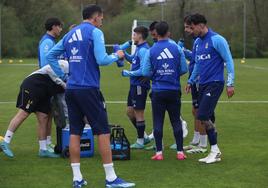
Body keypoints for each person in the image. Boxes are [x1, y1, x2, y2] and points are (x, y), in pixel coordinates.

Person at [46, 5, 135, 188]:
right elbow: (102, 60)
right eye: (101, 18)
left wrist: (64, 75)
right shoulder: (95, 32)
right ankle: (111, 179)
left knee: (75, 132)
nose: (102, 21)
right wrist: (117, 55)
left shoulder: (70, 34)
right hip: (88, 89)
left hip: (71, 89)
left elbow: (50, 55)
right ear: (96, 17)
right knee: (102, 131)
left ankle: (77, 178)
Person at [126, 21, 188, 160]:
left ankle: (159, 153)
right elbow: (184, 69)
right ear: (168, 33)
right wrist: (172, 75)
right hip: (173, 89)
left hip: (158, 90)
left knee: (158, 121)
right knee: (175, 121)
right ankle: (180, 152)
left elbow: (146, 72)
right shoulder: (176, 48)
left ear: (156, 34)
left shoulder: (151, 50)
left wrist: (157, 75)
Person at [186, 13, 235, 164]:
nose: (190, 31)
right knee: (209, 117)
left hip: (215, 83)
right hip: (203, 84)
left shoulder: (217, 39)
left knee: (202, 115)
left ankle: (215, 150)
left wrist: (230, 83)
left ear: (201, 25)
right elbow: (197, 64)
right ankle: (213, 151)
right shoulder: (197, 43)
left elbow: (229, 60)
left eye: (192, 27)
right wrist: (191, 80)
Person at [0, 60, 68, 158]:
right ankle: (5, 141)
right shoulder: (66, 64)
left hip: (44, 92)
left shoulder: (76, 75)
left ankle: (43, 150)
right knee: (23, 114)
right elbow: (49, 69)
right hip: (33, 86)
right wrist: (62, 84)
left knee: (44, 117)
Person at [170, 15, 208, 154]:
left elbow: (198, 59)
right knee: (195, 111)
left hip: (200, 80)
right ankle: (196, 140)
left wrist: (183, 51)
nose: (186, 30)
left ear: (195, 25)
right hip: (194, 80)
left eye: (188, 27)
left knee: (201, 112)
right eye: (185, 27)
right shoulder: (197, 40)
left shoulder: (204, 39)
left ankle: (203, 144)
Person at [121, 26, 151, 149]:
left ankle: (140, 141)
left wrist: (129, 73)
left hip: (140, 85)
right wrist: (123, 53)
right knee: (129, 112)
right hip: (133, 84)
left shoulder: (144, 50)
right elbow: (133, 60)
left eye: (134, 34)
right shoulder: (139, 48)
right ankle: (144, 136)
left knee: (139, 113)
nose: (132, 37)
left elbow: (144, 70)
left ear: (140, 35)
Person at [38, 17, 63, 152]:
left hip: (51, 83)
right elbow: (45, 64)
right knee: (45, 115)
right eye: (59, 27)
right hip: (46, 82)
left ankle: (48, 143)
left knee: (49, 114)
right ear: (54, 26)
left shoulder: (52, 41)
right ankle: (44, 146)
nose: (60, 30)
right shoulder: (47, 41)